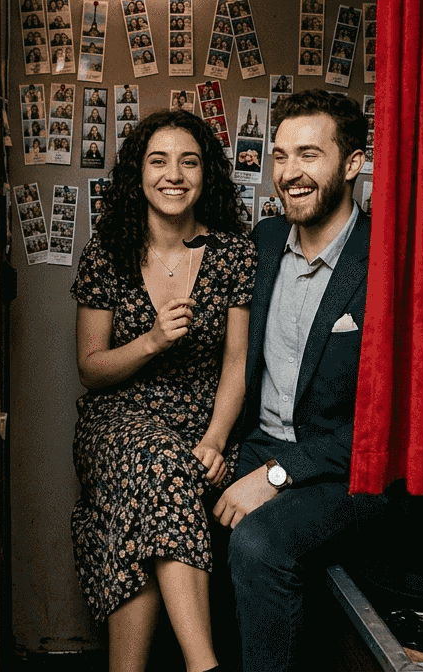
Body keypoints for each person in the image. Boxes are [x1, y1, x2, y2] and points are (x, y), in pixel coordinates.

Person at [210, 89, 396, 671]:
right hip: (262, 444)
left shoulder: (388, 261)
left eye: (309, 155)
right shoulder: (263, 244)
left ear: (353, 163)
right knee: (178, 504)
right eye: (281, 155)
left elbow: (392, 419)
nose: (289, 173)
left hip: (349, 469)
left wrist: (277, 474)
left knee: (260, 542)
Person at [71, 108, 254, 672]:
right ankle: (206, 665)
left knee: (140, 505)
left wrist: (218, 439)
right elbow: (90, 368)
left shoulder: (232, 254)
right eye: (159, 161)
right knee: (159, 465)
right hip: (117, 422)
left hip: (203, 425)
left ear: (206, 176)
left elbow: (236, 364)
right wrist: (151, 340)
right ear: (139, 174)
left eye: (188, 162)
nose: (173, 174)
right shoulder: (109, 252)